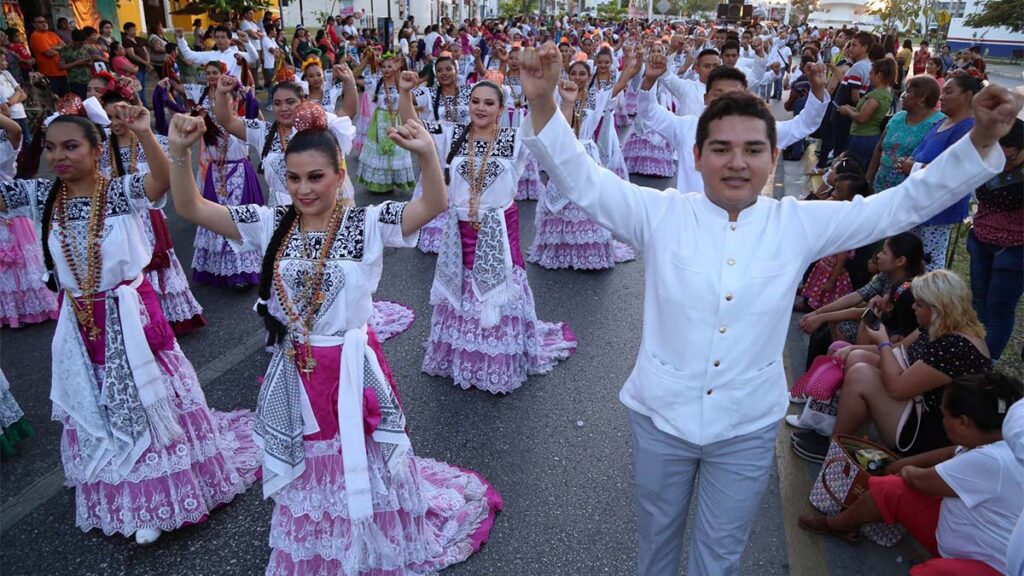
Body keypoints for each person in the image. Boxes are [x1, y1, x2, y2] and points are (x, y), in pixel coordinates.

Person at [515, 41, 1020, 576]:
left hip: (747, 427)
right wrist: (543, 102)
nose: (737, 162)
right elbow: (585, 181)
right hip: (661, 416)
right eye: (721, 148)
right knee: (655, 548)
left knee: (719, 558)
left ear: (773, 158)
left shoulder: (795, 223)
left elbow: (901, 204)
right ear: (696, 156)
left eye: (753, 149)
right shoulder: (660, 214)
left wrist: (980, 140)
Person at [162, 104, 502, 574]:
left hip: (351, 366)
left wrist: (427, 155)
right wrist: (180, 153)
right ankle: (322, 548)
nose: (303, 189)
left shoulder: (367, 224)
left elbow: (431, 207)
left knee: (361, 457)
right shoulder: (271, 223)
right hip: (297, 369)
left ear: (340, 173)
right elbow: (192, 208)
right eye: (293, 178)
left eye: (316, 177)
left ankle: (369, 546)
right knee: (311, 463)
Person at [0, 104, 259, 545]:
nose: (59, 156)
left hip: (130, 316)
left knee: (148, 401)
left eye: (71, 146)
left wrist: (145, 134)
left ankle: (158, 496)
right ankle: (118, 487)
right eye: (51, 148)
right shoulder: (42, 197)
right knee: (97, 399)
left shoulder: (118, 192)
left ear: (96, 150)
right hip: (80, 319)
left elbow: (160, 180)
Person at [398, 71, 577, 394]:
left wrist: (565, 103)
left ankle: (496, 360)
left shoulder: (513, 138)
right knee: (462, 287)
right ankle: (463, 354)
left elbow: (552, 136)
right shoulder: (454, 134)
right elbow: (415, 128)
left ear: (501, 108)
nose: (480, 108)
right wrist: (404, 93)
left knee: (498, 292)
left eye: (489, 103)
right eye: (475, 101)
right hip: (460, 228)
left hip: (499, 228)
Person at [799, 372, 1023, 576]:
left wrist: (904, 469)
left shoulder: (992, 459)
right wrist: (902, 464)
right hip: (960, 535)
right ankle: (839, 524)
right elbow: (951, 452)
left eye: (944, 415)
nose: (943, 420)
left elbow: (917, 480)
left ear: (963, 423)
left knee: (934, 572)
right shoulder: (997, 441)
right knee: (890, 489)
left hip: (990, 566)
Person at [794, 269, 993, 460]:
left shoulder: (955, 347)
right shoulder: (941, 327)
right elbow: (898, 351)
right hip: (917, 405)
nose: (913, 307)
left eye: (919, 304)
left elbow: (897, 388)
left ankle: (834, 446)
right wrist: (853, 349)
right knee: (856, 357)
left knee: (861, 375)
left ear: (938, 309)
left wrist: (882, 341)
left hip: (927, 429)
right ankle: (845, 435)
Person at [97, 90, 206, 334]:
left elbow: (177, 155)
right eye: (109, 117)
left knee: (156, 262)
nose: (115, 123)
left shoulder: (149, 142)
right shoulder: (101, 151)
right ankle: (139, 319)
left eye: (119, 116)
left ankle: (167, 317)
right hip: (118, 219)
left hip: (147, 214)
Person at [638, 57, 828, 196]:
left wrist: (817, 89)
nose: (726, 101)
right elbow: (650, 112)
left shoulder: (761, 130)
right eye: (718, 94)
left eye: (734, 94)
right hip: (691, 222)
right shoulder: (686, 127)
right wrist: (649, 79)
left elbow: (804, 124)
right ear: (706, 98)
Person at [902, 74, 982, 271]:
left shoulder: (968, 129)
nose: (941, 97)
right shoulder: (942, 122)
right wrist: (909, 163)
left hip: (938, 209)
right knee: (908, 256)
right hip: (917, 201)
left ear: (968, 95)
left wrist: (913, 168)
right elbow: (922, 151)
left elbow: (955, 171)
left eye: (948, 92)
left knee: (928, 261)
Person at [967, 118, 1023, 362]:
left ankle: (986, 364)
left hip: (1014, 251)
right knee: (978, 301)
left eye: (1010, 157)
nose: (1003, 163)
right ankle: (974, 353)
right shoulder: (987, 160)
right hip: (980, 240)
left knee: (999, 308)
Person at [866, 75, 944, 194]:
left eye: (908, 91)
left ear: (922, 98)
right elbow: (879, 148)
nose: (902, 95)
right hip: (880, 186)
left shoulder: (938, 123)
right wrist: (868, 178)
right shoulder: (898, 117)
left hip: (909, 193)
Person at [356, 52, 416, 194]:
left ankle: (396, 180)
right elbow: (354, 77)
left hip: (397, 118)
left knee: (397, 149)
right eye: (384, 66)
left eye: (390, 66)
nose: (387, 69)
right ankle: (381, 184)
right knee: (379, 151)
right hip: (379, 121)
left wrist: (398, 72)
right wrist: (366, 60)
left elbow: (411, 99)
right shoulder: (375, 82)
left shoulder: (400, 83)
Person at [838, 58, 895, 168]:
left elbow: (862, 118)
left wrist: (847, 111)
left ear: (879, 75)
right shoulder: (885, 93)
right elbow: (865, 111)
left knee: (854, 166)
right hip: (868, 136)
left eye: (871, 74)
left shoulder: (876, 96)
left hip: (863, 137)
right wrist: (852, 108)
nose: (869, 77)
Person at [174, 25, 258, 79]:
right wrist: (181, 39)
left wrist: (247, 42)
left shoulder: (237, 55)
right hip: (216, 95)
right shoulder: (210, 55)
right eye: (217, 37)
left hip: (234, 95)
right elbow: (189, 55)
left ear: (230, 40)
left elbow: (254, 57)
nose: (219, 40)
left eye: (223, 37)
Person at [29, 15, 69, 96]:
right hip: (49, 74)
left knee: (66, 98)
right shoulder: (36, 36)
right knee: (55, 99)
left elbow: (66, 47)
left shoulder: (52, 34)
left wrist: (54, 47)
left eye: (45, 21)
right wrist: (59, 48)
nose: (44, 24)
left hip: (62, 72)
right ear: (34, 24)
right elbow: (49, 53)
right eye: (40, 22)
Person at [121, 23, 151, 106]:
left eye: (135, 29)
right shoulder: (126, 41)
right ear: (126, 31)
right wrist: (145, 63)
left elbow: (146, 51)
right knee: (137, 87)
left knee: (143, 86)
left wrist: (148, 62)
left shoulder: (138, 39)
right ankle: (139, 105)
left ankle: (144, 104)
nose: (134, 31)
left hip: (144, 66)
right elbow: (132, 55)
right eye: (132, 30)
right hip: (135, 67)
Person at [59, 29, 93, 99]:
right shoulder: (65, 49)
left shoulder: (85, 48)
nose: (81, 45)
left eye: (83, 43)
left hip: (88, 79)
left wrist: (89, 63)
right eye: (79, 43)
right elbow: (61, 66)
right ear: (73, 41)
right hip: (75, 80)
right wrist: (77, 63)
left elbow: (89, 60)